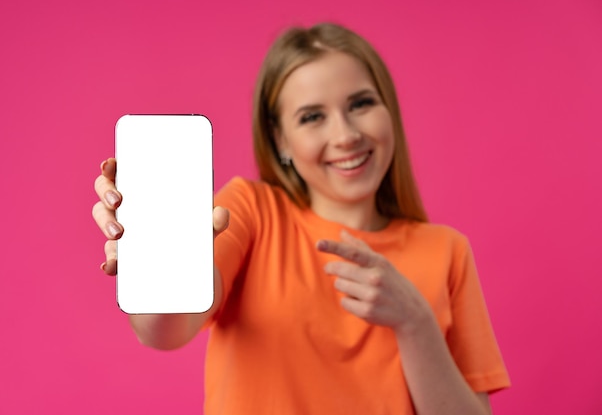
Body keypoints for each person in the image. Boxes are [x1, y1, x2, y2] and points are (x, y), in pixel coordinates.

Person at [92, 23, 510, 415]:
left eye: (361, 104)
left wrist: (415, 323)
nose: (346, 135)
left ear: (389, 109)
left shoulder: (446, 250)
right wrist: (156, 261)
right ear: (280, 139)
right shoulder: (251, 211)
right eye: (312, 117)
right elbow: (164, 332)